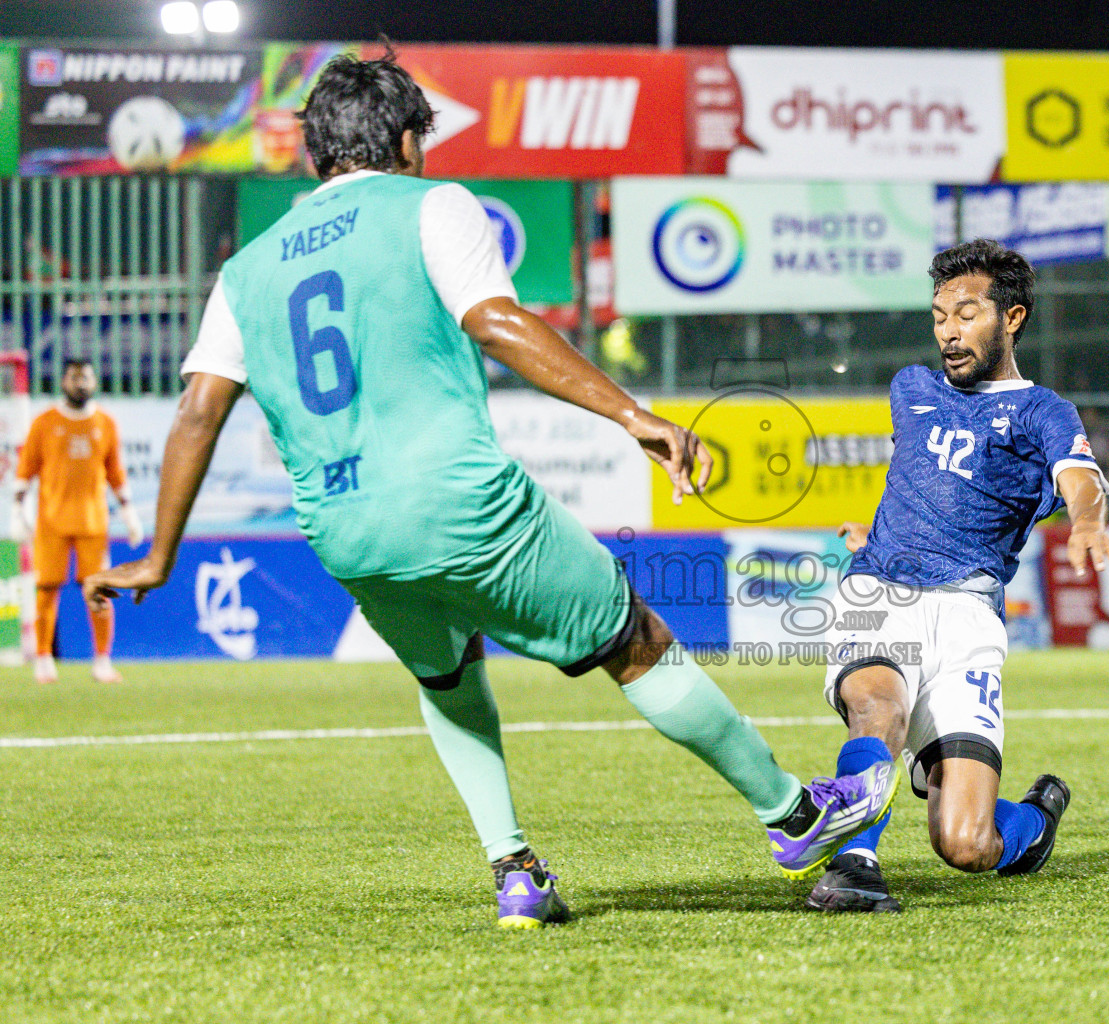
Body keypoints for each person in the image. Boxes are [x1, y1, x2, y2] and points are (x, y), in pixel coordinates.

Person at [82, 52, 897, 929]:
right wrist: (632, 414)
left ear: (315, 151)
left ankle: (515, 871)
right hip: (459, 503)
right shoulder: (431, 204)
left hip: (345, 532)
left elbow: (198, 411)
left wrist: (157, 558)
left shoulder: (246, 270)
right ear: (405, 140)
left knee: (447, 676)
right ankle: (795, 814)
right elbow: (498, 322)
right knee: (633, 640)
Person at [807, 239, 1109, 913]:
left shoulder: (1042, 412)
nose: (949, 331)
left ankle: (1032, 826)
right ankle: (855, 865)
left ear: (1012, 318)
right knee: (878, 708)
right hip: (880, 593)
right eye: (939, 315)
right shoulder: (911, 389)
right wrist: (881, 537)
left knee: (966, 843)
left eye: (967, 314)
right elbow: (919, 480)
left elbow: (1080, 477)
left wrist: (1087, 522)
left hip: (969, 620)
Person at [12, 358, 144, 684]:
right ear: (63, 381)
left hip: (92, 523)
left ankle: (102, 660)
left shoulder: (105, 423)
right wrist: (18, 511)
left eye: (85, 377)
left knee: (98, 590)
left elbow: (115, 472)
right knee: (46, 590)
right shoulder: (44, 422)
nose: (80, 383)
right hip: (51, 522)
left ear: (95, 381)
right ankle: (44, 658)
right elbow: (25, 470)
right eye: (74, 377)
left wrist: (128, 512)